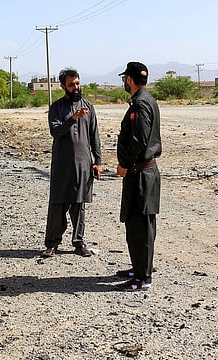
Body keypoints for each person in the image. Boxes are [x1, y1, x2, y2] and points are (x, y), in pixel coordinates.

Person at [42, 68, 102, 257]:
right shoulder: (57, 108)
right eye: (71, 84)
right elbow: (56, 131)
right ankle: (52, 244)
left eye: (77, 83)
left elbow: (95, 135)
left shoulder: (88, 107)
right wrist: (72, 118)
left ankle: (79, 243)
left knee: (79, 204)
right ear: (63, 86)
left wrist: (98, 161)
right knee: (58, 204)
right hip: (62, 164)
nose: (76, 87)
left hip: (83, 164)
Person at [115, 62, 162, 291]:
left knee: (140, 225)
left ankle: (142, 278)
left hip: (141, 173)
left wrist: (124, 164)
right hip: (143, 171)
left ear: (130, 80)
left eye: (125, 78)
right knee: (138, 224)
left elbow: (139, 140)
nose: (125, 82)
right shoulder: (145, 99)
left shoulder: (141, 104)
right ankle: (140, 267)